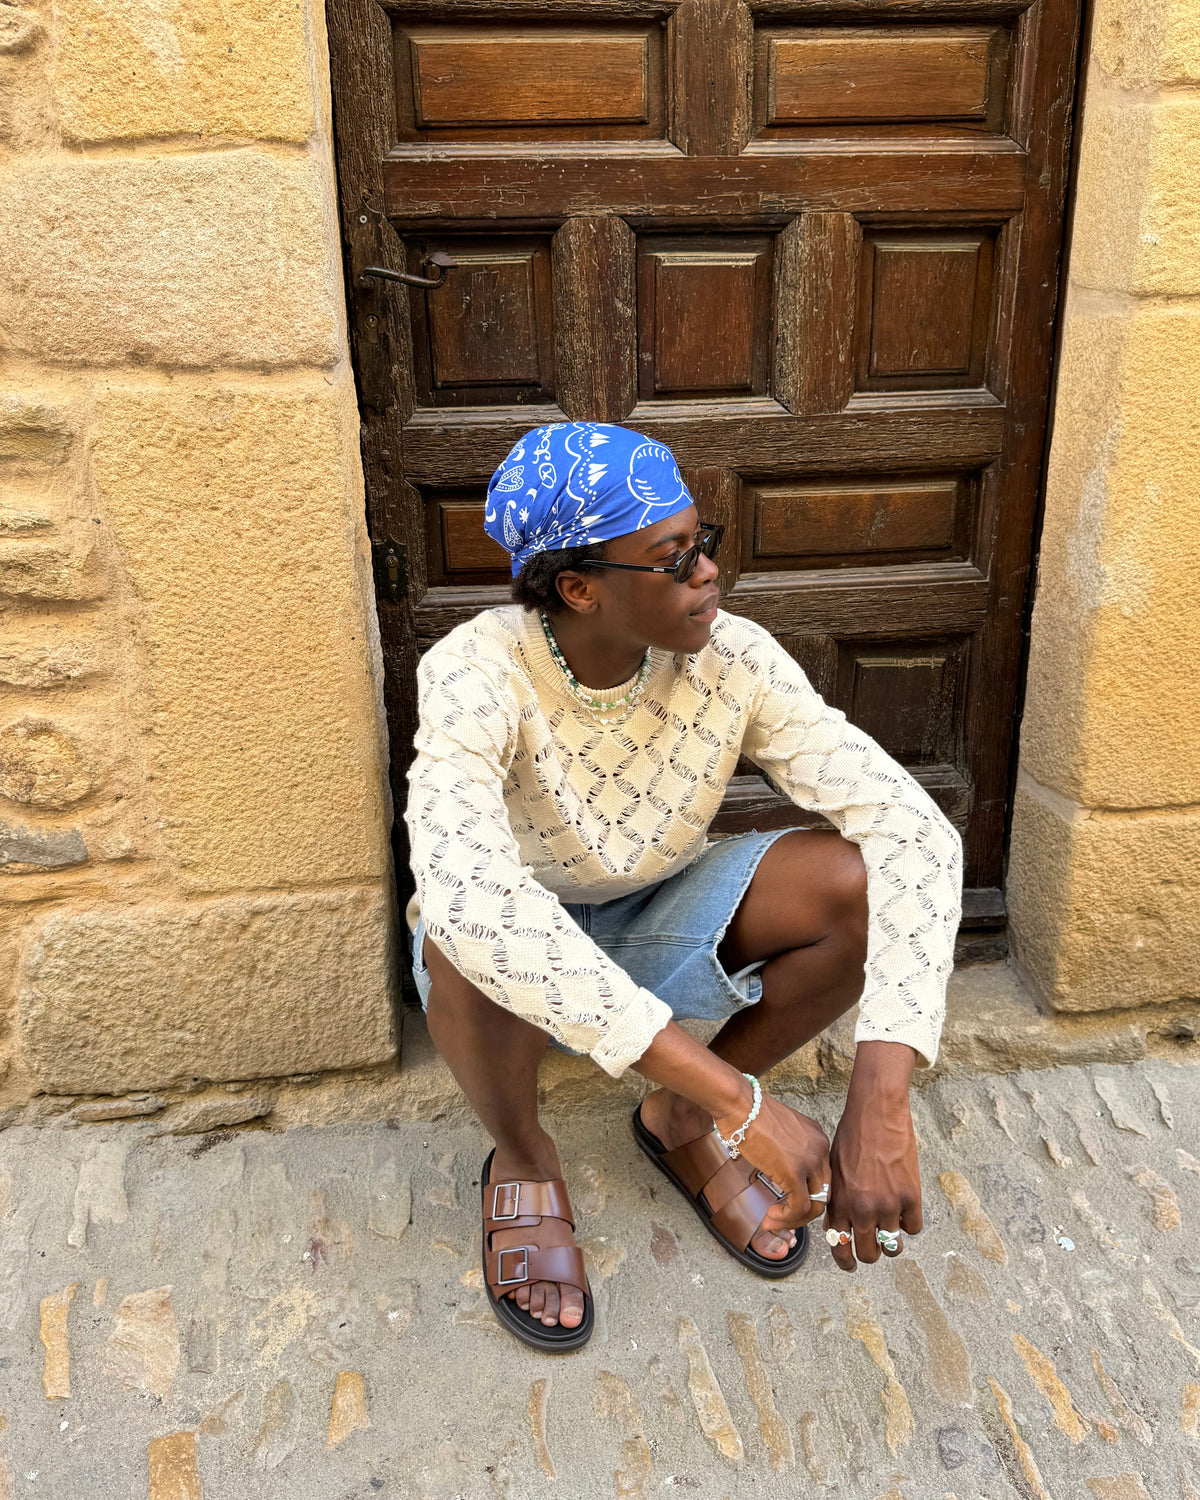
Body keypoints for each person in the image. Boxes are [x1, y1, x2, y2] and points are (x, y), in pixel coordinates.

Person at [404, 422, 962, 1352]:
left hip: (663, 906)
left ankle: (677, 1115)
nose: (706, 571)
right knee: (466, 939)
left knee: (854, 883)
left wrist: (882, 1092)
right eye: (672, 558)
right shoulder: (476, 669)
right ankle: (525, 1156)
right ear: (578, 587)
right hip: (518, 938)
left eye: (703, 543)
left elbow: (915, 832)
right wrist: (751, 1103)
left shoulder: (732, 657)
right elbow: (468, 894)